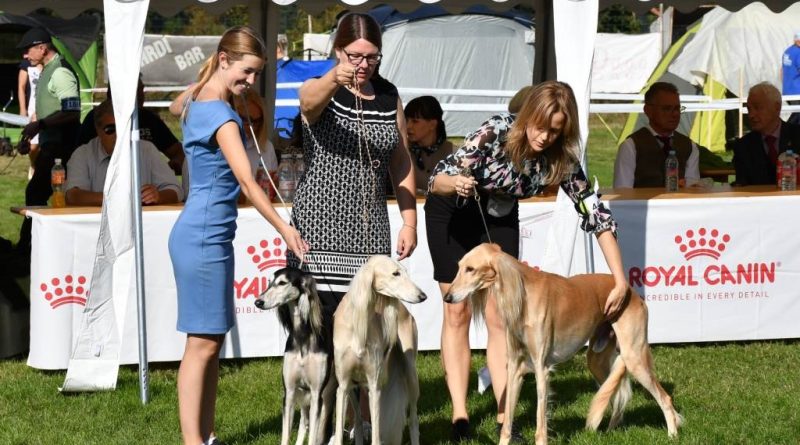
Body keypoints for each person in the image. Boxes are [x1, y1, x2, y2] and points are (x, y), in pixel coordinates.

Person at [426, 80, 629, 442]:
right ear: (527, 116)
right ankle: (460, 416)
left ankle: (505, 417)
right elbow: (436, 180)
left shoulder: (561, 158)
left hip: (500, 214)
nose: (545, 137)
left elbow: (595, 214)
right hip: (453, 210)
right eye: (540, 126)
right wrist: (455, 183)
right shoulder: (495, 133)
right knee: (457, 311)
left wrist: (620, 279)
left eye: (555, 130)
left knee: (501, 315)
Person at [167, 26, 307, 445]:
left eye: (256, 74)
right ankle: (193, 440)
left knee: (211, 341)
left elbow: (175, 105)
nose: (250, 82)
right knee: (202, 346)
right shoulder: (224, 116)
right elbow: (248, 182)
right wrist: (285, 228)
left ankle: (206, 435)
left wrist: (211, 77)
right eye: (246, 72)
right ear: (224, 59)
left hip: (206, 233)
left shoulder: (199, 99)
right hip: (204, 235)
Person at [294, 12, 417, 434]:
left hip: (371, 235)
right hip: (320, 229)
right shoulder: (322, 87)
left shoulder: (388, 95)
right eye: (355, 56)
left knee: (371, 336)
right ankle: (317, 428)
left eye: (372, 57)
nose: (364, 65)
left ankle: (364, 426)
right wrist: (337, 77)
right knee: (322, 339)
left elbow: (401, 158)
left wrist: (409, 219)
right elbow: (307, 103)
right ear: (337, 51)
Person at [16, 27, 81, 255]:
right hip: (51, 147)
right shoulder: (47, 70)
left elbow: (72, 112)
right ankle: (32, 248)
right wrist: (31, 134)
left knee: (37, 194)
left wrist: (40, 125)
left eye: (28, 50)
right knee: (38, 195)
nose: (25, 55)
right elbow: (46, 111)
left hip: (63, 149)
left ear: (43, 48)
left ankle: (30, 249)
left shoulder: (60, 72)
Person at [65, 100, 182, 206]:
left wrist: (158, 196)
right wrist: (118, 199)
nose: (118, 135)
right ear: (98, 130)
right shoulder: (83, 154)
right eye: (110, 129)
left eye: (124, 128)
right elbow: (72, 196)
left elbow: (176, 190)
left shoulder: (146, 150)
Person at [78, 78, 185, 175]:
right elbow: (80, 161)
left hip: (148, 185)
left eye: (141, 90)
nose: (140, 95)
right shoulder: (96, 119)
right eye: (134, 90)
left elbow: (178, 153)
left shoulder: (148, 118)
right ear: (113, 93)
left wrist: (170, 167)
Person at [613, 82, 700, 188]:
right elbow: (623, 191)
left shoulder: (689, 146)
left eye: (677, 108)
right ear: (648, 111)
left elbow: (693, 189)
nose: (675, 114)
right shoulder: (631, 146)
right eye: (667, 108)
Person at [733, 82, 800, 186]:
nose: (751, 115)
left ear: (777, 108)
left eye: (757, 108)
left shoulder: (797, 136)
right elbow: (742, 184)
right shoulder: (743, 146)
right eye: (749, 109)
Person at [405, 95, 454, 193]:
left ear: (432, 124)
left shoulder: (453, 153)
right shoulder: (401, 151)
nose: (408, 126)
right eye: (406, 120)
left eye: (415, 121)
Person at [18, 54, 43, 175]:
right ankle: (33, 164)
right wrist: (22, 109)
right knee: (33, 146)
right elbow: (21, 87)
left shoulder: (50, 65)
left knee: (44, 144)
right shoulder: (26, 64)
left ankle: (41, 169)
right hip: (31, 108)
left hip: (46, 109)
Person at [781, 31, 800, 125]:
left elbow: (782, 70)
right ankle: (784, 130)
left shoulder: (787, 51)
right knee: (797, 113)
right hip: (796, 91)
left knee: (797, 115)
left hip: (787, 90)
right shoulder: (799, 52)